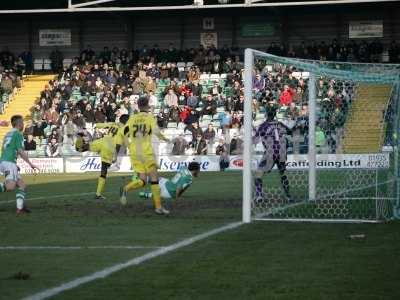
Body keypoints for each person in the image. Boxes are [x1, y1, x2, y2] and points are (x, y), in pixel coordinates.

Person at [119, 97, 170, 215]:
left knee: (142, 180)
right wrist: (165, 139)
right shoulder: (149, 117)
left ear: (138, 106)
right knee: (154, 178)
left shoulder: (132, 119)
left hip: (134, 152)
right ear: (147, 106)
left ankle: (126, 189)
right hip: (146, 151)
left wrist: (129, 145)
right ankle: (158, 207)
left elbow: (122, 133)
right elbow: (156, 131)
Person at [76, 114, 129, 200]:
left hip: (102, 141)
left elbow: (100, 125)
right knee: (104, 170)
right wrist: (115, 156)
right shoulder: (124, 130)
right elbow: (118, 144)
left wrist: (95, 125)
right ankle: (98, 194)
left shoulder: (113, 124)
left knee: (80, 148)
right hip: (109, 147)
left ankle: (80, 136)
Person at [0, 115, 39, 214]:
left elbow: (7, 149)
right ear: (19, 124)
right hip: (9, 162)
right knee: (10, 186)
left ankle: (20, 207)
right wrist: (30, 164)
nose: (23, 124)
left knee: (22, 185)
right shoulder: (18, 134)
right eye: (22, 122)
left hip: (5, 161)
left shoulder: (8, 134)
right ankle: (20, 207)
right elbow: (20, 151)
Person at [253, 108, 292, 203]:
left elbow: (255, 140)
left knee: (258, 175)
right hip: (282, 152)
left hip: (270, 152)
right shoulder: (280, 124)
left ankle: (259, 196)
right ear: (274, 114)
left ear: (266, 114)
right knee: (283, 174)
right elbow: (290, 132)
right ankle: (288, 196)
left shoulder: (263, 126)